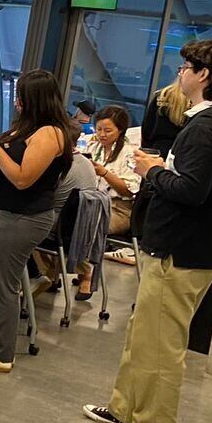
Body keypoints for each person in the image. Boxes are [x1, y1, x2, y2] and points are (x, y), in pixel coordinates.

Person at [83, 40, 212, 423]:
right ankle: (125, 409)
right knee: (143, 336)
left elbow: (191, 190)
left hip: (179, 251)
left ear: (205, 75)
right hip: (190, 248)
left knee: (161, 345)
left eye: (186, 67)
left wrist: (153, 170)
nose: (180, 73)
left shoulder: (207, 127)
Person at [0, 70, 75, 373]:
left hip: (21, 216)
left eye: (22, 95)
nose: (17, 101)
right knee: (0, 279)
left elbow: (23, 179)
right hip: (5, 212)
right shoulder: (27, 128)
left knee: (2, 284)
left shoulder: (50, 133)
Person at [71, 105, 140, 298]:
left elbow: (129, 190)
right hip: (87, 202)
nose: (102, 134)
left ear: (120, 130)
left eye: (108, 130)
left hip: (117, 209)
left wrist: (104, 173)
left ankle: (86, 274)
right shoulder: (91, 145)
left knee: (87, 222)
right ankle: (51, 272)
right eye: (99, 129)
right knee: (57, 217)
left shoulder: (129, 153)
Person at [140, 81, 189, 158]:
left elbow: (147, 130)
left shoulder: (162, 97)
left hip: (156, 153)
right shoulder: (201, 106)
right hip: (182, 157)